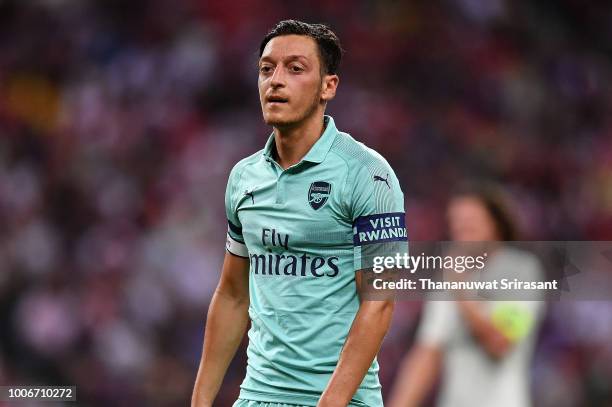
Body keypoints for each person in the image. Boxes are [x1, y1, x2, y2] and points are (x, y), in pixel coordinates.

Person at [191, 20, 407, 407]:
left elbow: (379, 301)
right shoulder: (244, 178)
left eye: (295, 68)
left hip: (342, 401)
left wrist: (330, 403)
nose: (275, 80)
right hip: (257, 398)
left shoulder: (367, 174)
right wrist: (201, 402)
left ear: (328, 86)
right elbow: (233, 295)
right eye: (266, 68)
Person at [388, 186, 545, 407]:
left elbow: (500, 342)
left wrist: (461, 292)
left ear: (495, 224)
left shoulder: (521, 270)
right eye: (456, 223)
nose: (461, 231)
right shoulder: (449, 278)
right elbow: (427, 352)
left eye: (470, 222)